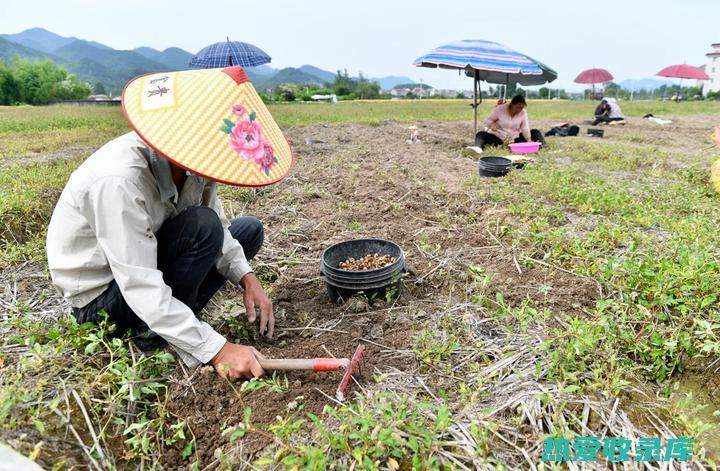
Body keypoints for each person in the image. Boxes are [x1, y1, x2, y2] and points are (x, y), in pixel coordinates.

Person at [46, 66, 294, 381]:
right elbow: (138, 283)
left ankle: (178, 320)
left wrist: (248, 279)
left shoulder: (196, 163)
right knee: (203, 228)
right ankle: (152, 335)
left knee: (247, 232)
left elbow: (217, 219)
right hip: (104, 299)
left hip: (147, 261)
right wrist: (216, 349)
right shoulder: (119, 181)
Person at [475, 95, 544, 149]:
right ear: (512, 104)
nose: (519, 110)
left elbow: (525, 127)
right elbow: (488, 120)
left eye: (521, 108)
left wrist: (528, 139)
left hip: (514, 139)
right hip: (499, 138)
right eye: (517, 107)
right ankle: (477, 148)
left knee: (535, 132)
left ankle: (543, 146)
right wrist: (492, 124)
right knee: (481, 134)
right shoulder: (500, 109)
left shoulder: (523, 113)